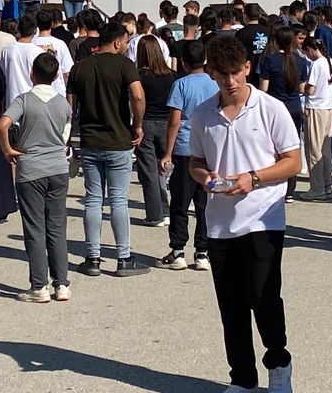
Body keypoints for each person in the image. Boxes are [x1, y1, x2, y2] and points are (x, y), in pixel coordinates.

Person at [187, 35, 301, 393]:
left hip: (263, 217)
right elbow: (196, 163)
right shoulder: (203, 114)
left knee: (263, 297)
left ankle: (278, 363)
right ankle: (242, 379)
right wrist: (205, 178)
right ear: (211, 73)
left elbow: (293, 162)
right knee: (231, 305)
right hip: (220, 221)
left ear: (247, 68)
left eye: (236, 72)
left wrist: (254, 177)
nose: (230, 81)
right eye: (222, 75)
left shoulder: (270, 108)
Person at [66, 21, 149, 277]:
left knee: (93, 199)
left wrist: (68, 137)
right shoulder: (125, 65)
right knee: (118, 200)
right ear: (116, 42)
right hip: (119, 140)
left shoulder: (79, 67)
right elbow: (137, 96)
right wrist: (137, 125)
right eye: (126, 41)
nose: (127, 46)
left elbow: (70, 108)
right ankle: (123, 257)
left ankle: (93, 257)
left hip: (90, 140)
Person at [0, 53, 74, 303]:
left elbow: (3, 124)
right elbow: (64, 135)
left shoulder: (24, 100)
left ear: (32, 74)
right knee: (57, 227)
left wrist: (8, 149)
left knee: (34, 228)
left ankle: (39, 285)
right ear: (56, 75)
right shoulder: (63, 104)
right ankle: (61, 283)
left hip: (31, 169)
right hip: (57, 168)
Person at [157, 40, 219, 271]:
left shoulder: (180, 84)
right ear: (205, 60)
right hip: (208, 148)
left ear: (183, 62)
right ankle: (203, 251)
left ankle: (178, 250)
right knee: (204, 204)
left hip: (184, 148)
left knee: (180, 202)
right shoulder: (214, 83)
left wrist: (167, 152)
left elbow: (175, 120)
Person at [258, 26, 311, 201]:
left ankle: (275, 183)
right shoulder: (301, 61)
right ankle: (290, 190)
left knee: (273, 148)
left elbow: (263, 89)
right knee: (291, 148)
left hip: (274, 108)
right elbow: (302, 88)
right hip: (294, 107)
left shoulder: (269, 61)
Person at [134, 35, 176, 226]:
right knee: (164, 168)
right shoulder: (172, 75)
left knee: (148, 171)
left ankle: (155, 214)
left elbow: (136, 100)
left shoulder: (140, 76)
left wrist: (136, 124)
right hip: (168, 123)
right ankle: (167, 210)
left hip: (147, 122)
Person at [297, 37, 332, 201]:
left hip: (315, 109)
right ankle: (327, 186)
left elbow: (311, 89)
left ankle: (317, 188)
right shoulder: (331, 62)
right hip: (328, 108)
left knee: (314, 150)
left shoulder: (317, 64)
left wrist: (302, 87)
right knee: (325, 150)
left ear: (310, 49)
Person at [0, 16, 47, 105]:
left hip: (12, 100)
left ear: (18, 28)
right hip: (34, 102)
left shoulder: (6, 50)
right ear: (35, 31)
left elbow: (2, 75)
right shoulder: (39, 52)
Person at [30, 10, 74, 94]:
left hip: (35, 91)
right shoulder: (60, 44)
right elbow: (67, 73)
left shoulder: (31, 42)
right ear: (52, 24)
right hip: (57, 91)